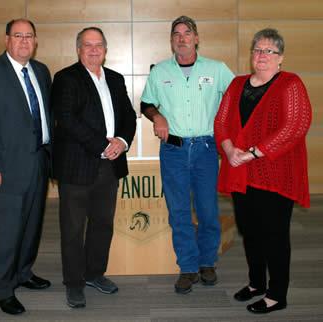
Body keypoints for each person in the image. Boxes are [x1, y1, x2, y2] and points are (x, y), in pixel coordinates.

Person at [214, 28, 312, 314]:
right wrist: (230, 150)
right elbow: (220, 122)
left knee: (274, 234)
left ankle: (277, 294)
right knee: (249, 230)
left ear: (280, 57)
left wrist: (254, 152)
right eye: (257, 49)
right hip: (242, 172)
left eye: (269, 51)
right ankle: (256, 283)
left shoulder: (290, 84)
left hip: (275, 172)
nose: (262, 55)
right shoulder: (237, 84)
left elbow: (296, 124)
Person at [141, 16, 234, 294]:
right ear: (172, 41)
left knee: (207, 210)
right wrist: (157, 116)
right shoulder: (160, 71)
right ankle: (188, 267)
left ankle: (207, 263)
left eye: (187, 33)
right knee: (179, 211)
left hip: (206, 149)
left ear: (196, 39)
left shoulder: (217, 69)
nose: (182, 38)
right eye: (176, 34)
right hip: (174, 151)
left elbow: (238, 97)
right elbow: (146, 103)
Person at [0, 19, 52, 315]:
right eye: (18, 36)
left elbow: (44, 118)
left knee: (31, 226)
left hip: (38, 163)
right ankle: (2, 288)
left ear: (36, 41)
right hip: (4, 168)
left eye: (29, 36)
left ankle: (23, 273)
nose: (24, 41)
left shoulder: (41, 71)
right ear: (6, 40)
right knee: (6, 231)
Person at [51, 27, 136, 308]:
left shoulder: (115, 78)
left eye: (99, 44)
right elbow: (66, 119)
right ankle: (74, 284)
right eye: (87, 45)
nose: (94, 49)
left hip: (109, 166)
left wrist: (122, 142)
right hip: (77, 167)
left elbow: (129, 116)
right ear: (78, 49)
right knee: (73, 229)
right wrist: (102, 144)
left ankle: (94, 274)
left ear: (105, 49)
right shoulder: (65, 78)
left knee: (103, 225)